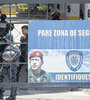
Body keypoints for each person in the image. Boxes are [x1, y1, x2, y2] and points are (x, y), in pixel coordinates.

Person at [1, 33, 21, 100]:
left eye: (6, 38)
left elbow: (18, 52)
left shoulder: (14, 45)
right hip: (6, 65)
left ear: (8, 38)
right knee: (1, 79)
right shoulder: (8, 45)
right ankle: (1, 95)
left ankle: (12, 97)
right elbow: (6, 56)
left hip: (12, 66)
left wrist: (12, 58)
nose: (5, 40)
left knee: (13, 81)